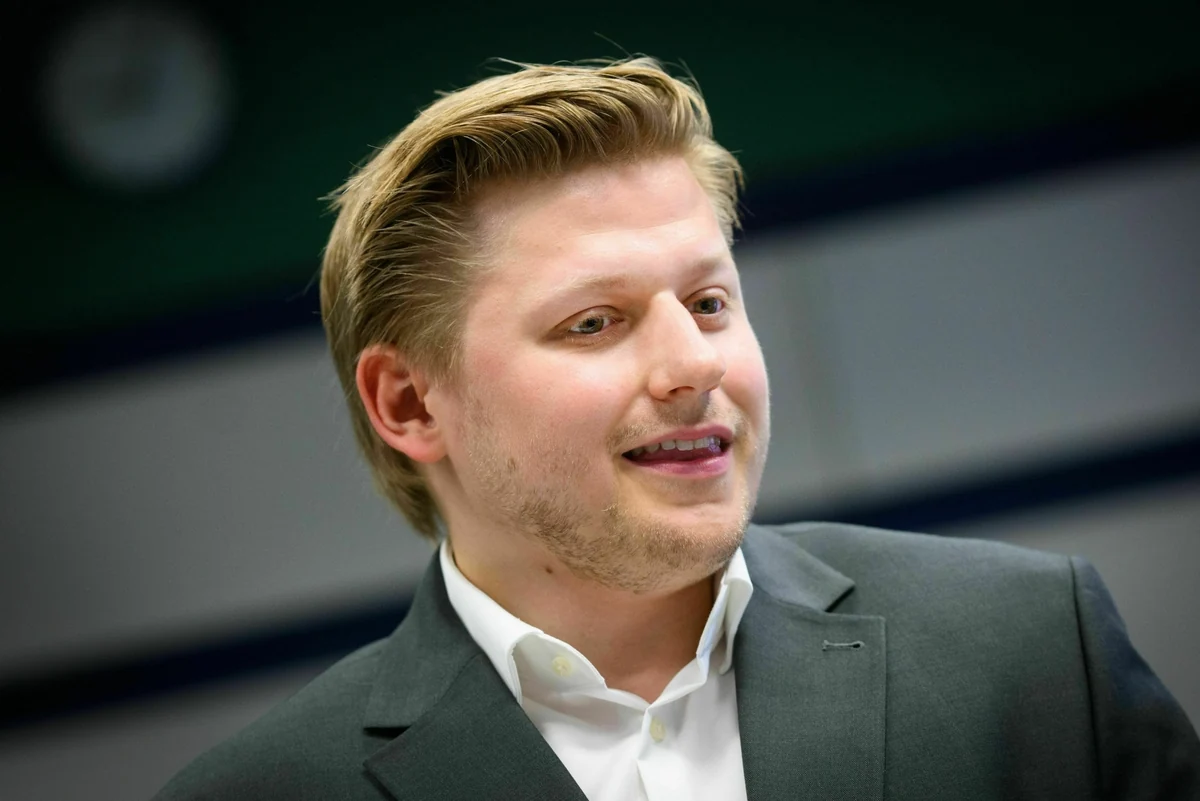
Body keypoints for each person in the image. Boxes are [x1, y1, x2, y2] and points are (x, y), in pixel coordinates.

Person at [154, 57, 1199, 800]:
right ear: (410, 404)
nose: (695, 364)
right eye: (594, 321)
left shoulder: (1028, 653)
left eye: (708, 302)